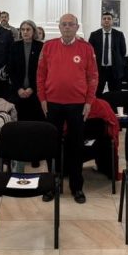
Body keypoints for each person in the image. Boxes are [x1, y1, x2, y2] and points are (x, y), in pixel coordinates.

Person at [37, 13, 98, 204]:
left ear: (77, 27)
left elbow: (93, 77)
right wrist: (42, 99)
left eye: (71, 24)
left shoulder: (86, 48)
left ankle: (76, 186)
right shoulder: (48, 47)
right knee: (52, 146)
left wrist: (89, 102)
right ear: (59, 27)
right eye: (64, 24)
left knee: (76, 147)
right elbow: (40, 75)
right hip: (52, 104)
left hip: (77, 105)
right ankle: (52, 185)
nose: (67, 27)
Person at [8, 20, 44, 121]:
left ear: (34, 31)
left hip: (35, 92)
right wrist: (19, 88)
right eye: (23, 29)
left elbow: (42, 71)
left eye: (28, 29)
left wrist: (32, 88)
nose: (25, 32)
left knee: (34, 122)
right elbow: (11, 70)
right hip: (17, 92)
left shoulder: (41, 46)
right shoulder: (15, 46)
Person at [88, 12, 127, 96]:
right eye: (104, 18)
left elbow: (123, 51)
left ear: (112, 21)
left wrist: (119, 64)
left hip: (114, 70)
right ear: (101, 21)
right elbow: (89, 52)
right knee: (96, 93)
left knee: (115, 95)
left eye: (109, 19)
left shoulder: (119, 34)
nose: (106, 20)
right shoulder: (94, 35)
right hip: (99, 69)